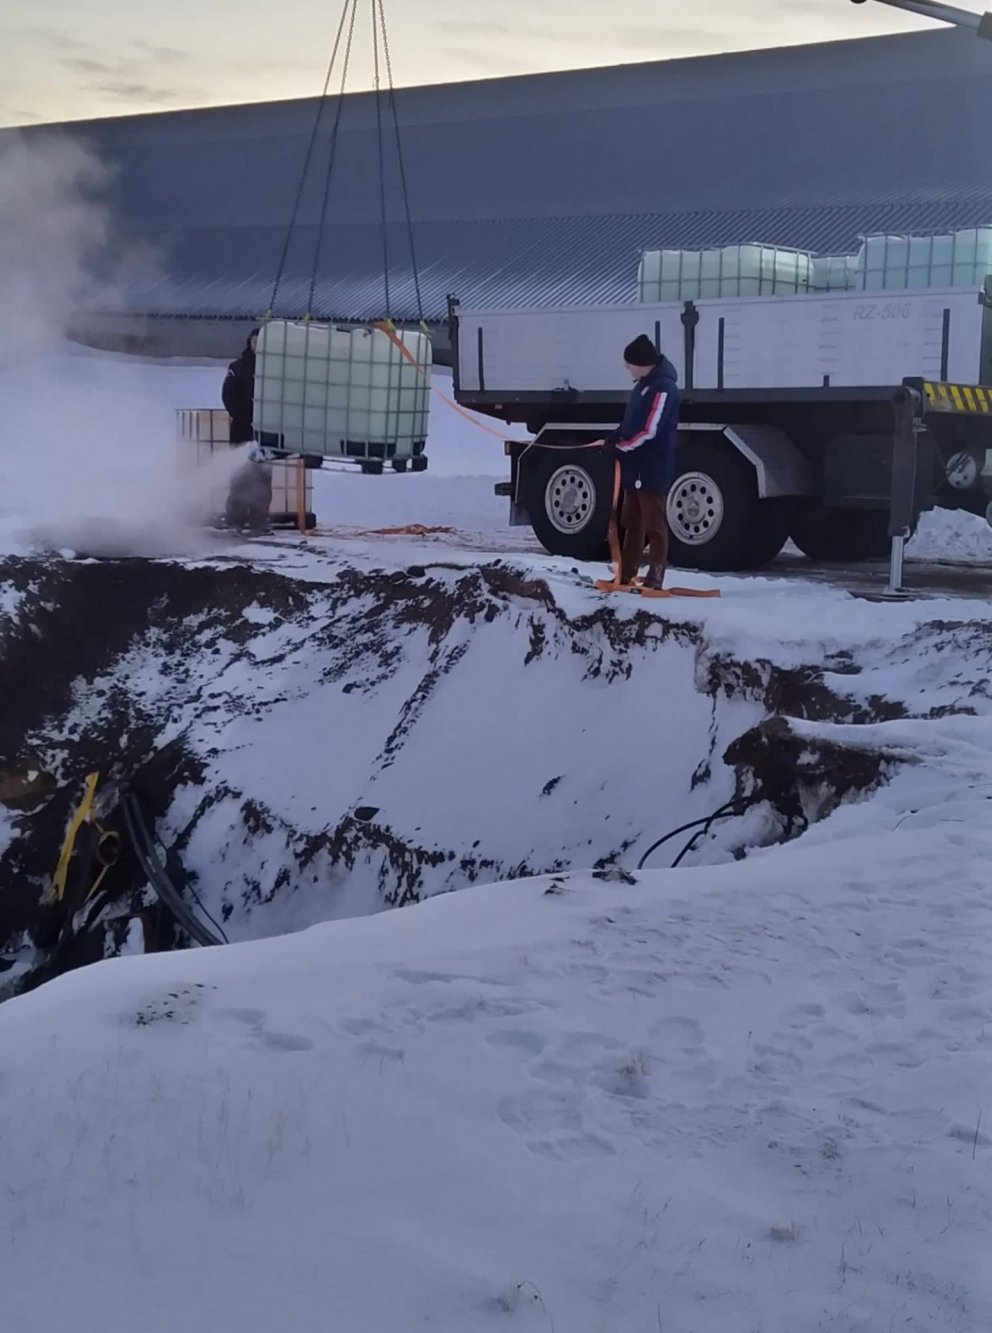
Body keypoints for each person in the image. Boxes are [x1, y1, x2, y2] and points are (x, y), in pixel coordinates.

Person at [603, 333, 681, 591]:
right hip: (633, 467)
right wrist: (616, 436)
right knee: (631, 522)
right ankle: (626, 574)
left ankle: (656, 576)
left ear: (642, 363)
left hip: (651, 468)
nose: (627, 368)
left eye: (629, 363)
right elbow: (631, 423)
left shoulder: (664, 388)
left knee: (654, 524)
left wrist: (621, 448)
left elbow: (649, 430)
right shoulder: (642, 387)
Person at [221, 328, 273, 532]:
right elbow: (228, 396)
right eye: (255, 341)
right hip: (242, 431)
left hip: (267, 433)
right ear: (249, 343)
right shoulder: (237, 368)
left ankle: (259, 521)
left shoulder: (276, 369)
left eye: (262, 341)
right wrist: (244, 417)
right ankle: (235, 520)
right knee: (240, 476)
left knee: (263, 477)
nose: (258, 345)